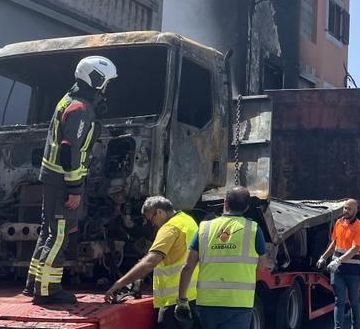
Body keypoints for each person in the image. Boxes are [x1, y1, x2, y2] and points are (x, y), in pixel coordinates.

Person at [25, 56, 117, 304]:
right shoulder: (80, 109)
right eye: (105, 82)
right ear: (96, 79)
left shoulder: (70, 100)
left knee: (48, 231)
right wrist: (75, 188)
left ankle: (33, 282)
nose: (106, 87)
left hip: (53, 177)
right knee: (59, 235)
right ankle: (47, 291)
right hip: (64, 181)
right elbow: (69, 150)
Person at [175, 187, 267, 329]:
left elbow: (188, 267)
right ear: (247, 207)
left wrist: (182, 300)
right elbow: (262, 266)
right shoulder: (254, 230)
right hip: (239, 303)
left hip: (207, 304)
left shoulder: (204, 228)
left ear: (225, 203)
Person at [104, 196, 199, 328]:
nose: (153, 224)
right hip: (192, 296)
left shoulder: (170, 227)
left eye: (152, 218)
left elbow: (150, 261)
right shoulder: (188, 221)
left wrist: (120, 283)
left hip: (173, 300)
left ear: (159, 212)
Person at [317, 198, 360, 329]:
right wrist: (323, 257)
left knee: (354, 301)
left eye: (349, 209)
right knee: (339, 301)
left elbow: (355, 248)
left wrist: (338, 260)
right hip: (338, 271)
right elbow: (334, 242)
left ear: (356, 210)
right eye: (345, 208)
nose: (346, 211)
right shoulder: (338, 223)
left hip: (353, 270)